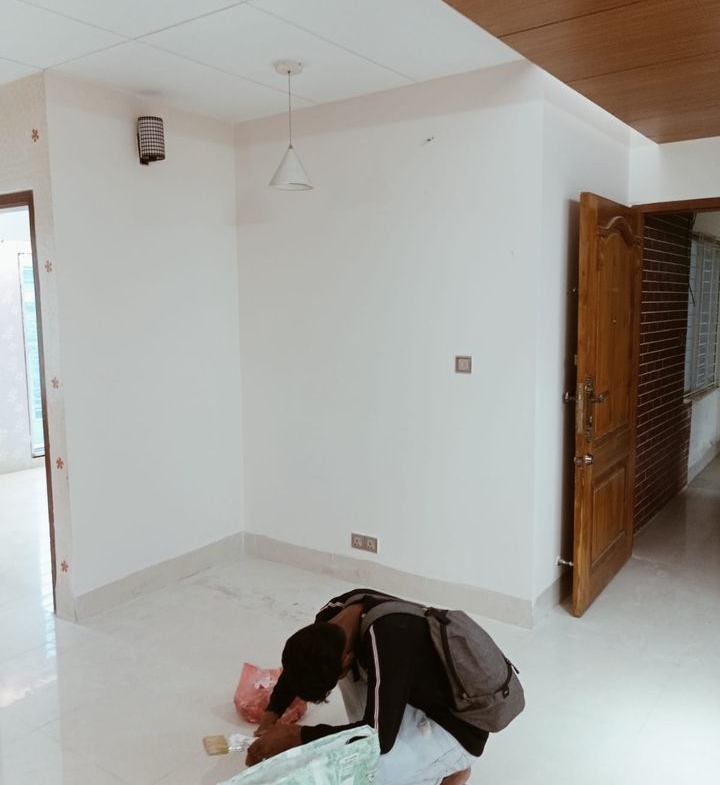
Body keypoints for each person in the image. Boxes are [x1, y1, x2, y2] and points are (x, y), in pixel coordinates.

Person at [245, 588, 489, 785]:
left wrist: (297, 736)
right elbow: (301, 659)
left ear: (347, 659)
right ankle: (404, 741)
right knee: (359, 728)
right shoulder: (332, 618)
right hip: (415, 692)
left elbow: (378, 739)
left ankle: (450, 770)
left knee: (367, 770)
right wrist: (271, 714)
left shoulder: (389, 642)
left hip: (460, 726)